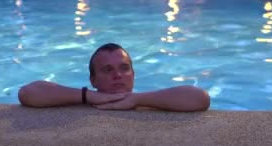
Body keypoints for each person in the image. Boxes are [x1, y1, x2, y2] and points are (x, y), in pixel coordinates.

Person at [18, 43, 210, 112]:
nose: (118, 75)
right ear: (93, 80)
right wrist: (88, 96)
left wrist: (137, 99)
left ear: (133, 75)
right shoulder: (84, 97)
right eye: (107, 70)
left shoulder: (147, 100)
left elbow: (201, 98)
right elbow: (28, 93)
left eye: (124, 68)